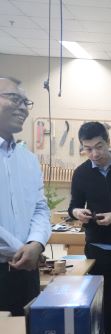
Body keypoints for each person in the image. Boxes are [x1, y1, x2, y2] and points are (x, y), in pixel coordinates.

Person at [68, 121, 111, 334]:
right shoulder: (81, 173)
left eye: (99, 146)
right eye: (88, 149)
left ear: (108, 141)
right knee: (103, 301)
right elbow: (73, 206)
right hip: (97, 247)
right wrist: (77, 212)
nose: (94, 154)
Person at [0, 77, 50, 316]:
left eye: (25, 102)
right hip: (14, 262)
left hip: (26, 274)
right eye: (14, 99)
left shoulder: (27, 159)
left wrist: (36, 243)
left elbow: (40, 208)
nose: (23, 108)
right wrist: (22, 249)